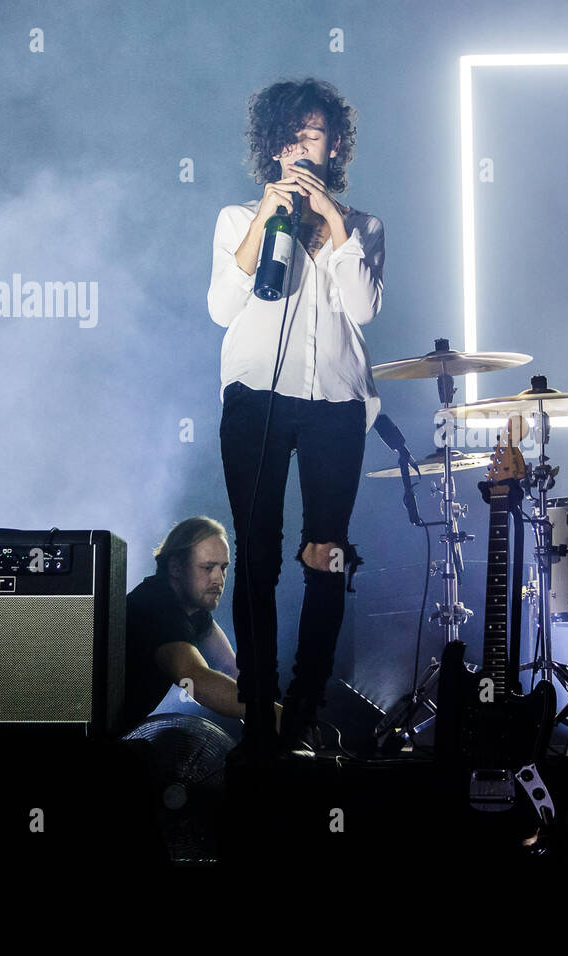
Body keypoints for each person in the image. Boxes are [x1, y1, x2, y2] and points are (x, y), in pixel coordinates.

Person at [208, 77, 382, 757]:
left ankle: (304, 708)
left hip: (336, 403)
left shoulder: (362, 226)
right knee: (256, 556)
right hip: (256, 398)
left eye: (314, 134)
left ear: (335, 144)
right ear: (272, 149)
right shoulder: (235, 219)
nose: (303, 148)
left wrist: (334, 226)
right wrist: (265, 219)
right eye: (291, 137)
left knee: (326, 553)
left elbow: (363, 310)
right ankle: (259, 706)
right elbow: (225, 308)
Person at [123, 516, 243, 732]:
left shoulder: (194, 609)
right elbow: (196, 679)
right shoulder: (157, 607)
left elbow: (230, 668)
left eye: (223, 568)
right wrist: (272, 716)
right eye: (208, 568)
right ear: (176, 568)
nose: (219, 579)